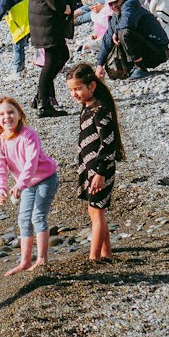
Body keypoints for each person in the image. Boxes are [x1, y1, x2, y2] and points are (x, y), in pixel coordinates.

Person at [0, 96, 59, 274]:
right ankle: (25, 261)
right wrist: (1, 189)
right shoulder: (0, 142)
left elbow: (32, 163)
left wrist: (20, 185)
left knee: (38, 217)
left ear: (19, 114)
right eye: (2, 114)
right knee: (23, 219)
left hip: (46, 178)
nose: (7, 116)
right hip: (26, 184)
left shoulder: (29, 135)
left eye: (11, 112)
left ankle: (42, 259)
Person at [67, 62, 125, 264]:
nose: (74, 94)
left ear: (91, 86)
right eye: (72, 90)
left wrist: (100, 173)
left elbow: (108, 144)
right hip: (89, 167)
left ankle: (93, 257)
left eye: (78, 89)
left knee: (97, 210)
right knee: (93, 210)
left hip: (101, 169)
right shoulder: (86, 107)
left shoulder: (101, 110)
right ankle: (105, 253)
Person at [27, 0, 80, 117]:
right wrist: (63, 7)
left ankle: (40, 96)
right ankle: (43, 103)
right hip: (47, 17)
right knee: (55, 56)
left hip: (39, 14)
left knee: (58, 55)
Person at [95, 0, 169, 80]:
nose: (114, 6)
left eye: (116, 1)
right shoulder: (115, 15)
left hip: (158, 51)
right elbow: (107, 39)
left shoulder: (131, 4)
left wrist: (116, 32)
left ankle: (141, 68)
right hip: (147, 49)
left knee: (124, 33)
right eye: (110, 4)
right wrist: (99, 64)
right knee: (117, 38)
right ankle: (133, 67)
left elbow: (127, 23)